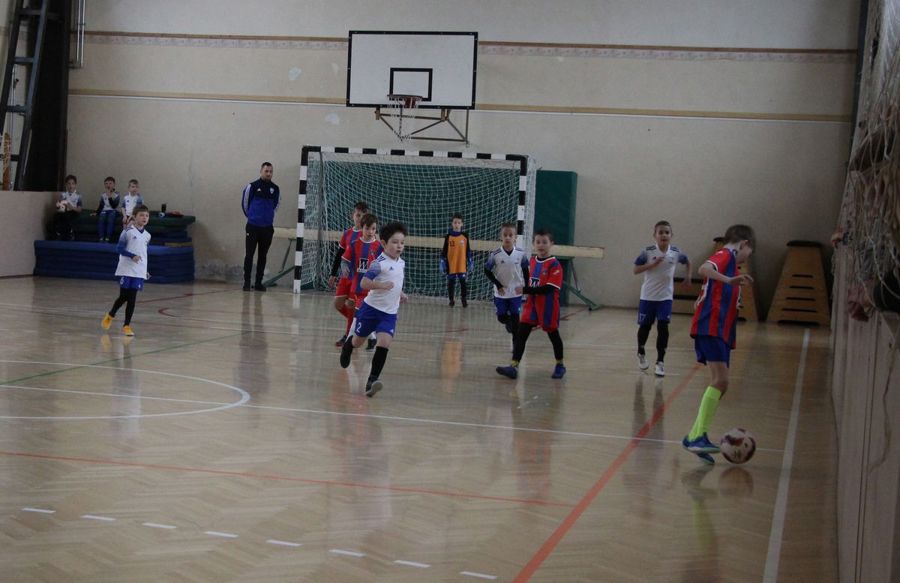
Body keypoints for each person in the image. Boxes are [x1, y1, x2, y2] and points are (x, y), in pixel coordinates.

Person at [682, 224, 756, 464]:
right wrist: (729, 280)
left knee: (721, 383)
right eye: (749, 253)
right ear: (744, 243)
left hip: (719, 328)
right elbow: (704, 269)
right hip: (711, 326)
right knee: (721, 381)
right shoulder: (726, 254)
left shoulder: (732, 263)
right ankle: (697, 436)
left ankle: (694, 436)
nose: (746, 257)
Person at [339, 221, 408, 397]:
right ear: (383, 243)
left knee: (384, 343)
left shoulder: (401, 263)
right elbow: (364, 283)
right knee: (358, 341)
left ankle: (372, 380)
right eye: (395, 242)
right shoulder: (379, 263)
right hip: (371, 309)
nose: (399, 246)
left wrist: (400, 293)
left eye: (402, 242)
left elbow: (396, 282)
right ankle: (348, 346)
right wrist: (381, 285)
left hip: (389, 314)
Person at [496, 229, 566, 380]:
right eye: (538, 242)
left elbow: (549, 289)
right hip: (531, 305)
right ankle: (513, 366)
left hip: (548, 306)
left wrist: (526, 290)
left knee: (553, 335)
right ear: (533, 244)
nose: (541, 245)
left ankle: (560, 364)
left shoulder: (554, 265)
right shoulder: (532, 261)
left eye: (544, 242)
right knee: (521, 334)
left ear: (551, 244)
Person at [632, 220, 692, 377]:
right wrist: (651, 265)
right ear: (655, 235)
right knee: (645, 326)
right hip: (648, 296)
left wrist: (688, 276)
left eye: (667, 232)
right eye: (661, 232)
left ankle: (660, 362)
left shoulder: (676, 252)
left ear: (671, 235)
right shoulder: (647, 252)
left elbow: (688, 261)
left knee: (663, 326)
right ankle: (641, 351)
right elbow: (635, 270)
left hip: (665, 297)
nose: (664, 235)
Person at [101, 205, 152, 336]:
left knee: (132, 298)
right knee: (124, 296)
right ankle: (111, 314)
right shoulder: (127, 232)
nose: (144, 218)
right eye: (141, 215)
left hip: (138, 271)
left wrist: (144, 270)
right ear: (134, 217)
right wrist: (131, 256)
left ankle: (126, 325)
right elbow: (119, 249)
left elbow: (143, 253)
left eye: (146, 215)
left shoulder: (148, 236)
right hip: (126, 268)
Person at [329, 201, 369, 346]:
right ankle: (360, 324)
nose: (360, 218)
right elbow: (339, 254)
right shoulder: (347, 234)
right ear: (353, 215)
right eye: (358, 215)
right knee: (338, 303)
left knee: (352, 306)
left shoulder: (367, 236)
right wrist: (333, 273)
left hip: (357, 278)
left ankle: (348, 336)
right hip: (345, 276)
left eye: (363, 216)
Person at [340, 213, 382, 351]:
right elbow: (344, 260)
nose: (370, 232)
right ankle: (372, 337)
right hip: (357, 287)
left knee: (359, 314)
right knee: (360, 314)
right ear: (362, 228)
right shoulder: (354, 244)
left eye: (373, 229)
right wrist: (345, 268)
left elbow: (384, 265)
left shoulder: (379, 247)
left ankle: (350, 340)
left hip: (371, 289)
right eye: (367, 228)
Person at [484, 222, 530, 343]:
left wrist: (527, 288)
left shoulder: (521, 254)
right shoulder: (495, 255)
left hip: (516, 291)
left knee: (515, 317)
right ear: (501, 236)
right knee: (501, 317)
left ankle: (516, 345)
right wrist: (498, 284)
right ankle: (508, 322)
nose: (508, 237)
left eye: (511, 235)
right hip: (501, 292)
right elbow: (487, 271)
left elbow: (526, 271)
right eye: (505, 235)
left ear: (515, 237)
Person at [241, 162, 280, 292]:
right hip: (253, 227)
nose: (269, 174)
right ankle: (247, 282)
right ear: (261, 171)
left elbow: (276, 205)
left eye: (271, 171)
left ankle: (258, 283)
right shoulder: (252, 186)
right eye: (266, 171)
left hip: (267, 228)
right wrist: (252, 217)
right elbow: (245, 204)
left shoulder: (275, 189)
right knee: (249, 255)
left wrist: (267, 218)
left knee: (262, 256)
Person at [440, 213, 472, 307]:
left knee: (463, 283)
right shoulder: (448, 236)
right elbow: (444, 250)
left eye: (458, 223)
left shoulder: (465, 236)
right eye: (455, 222)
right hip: (451, 264)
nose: (457, 224)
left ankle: (464, 300)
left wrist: (470, 260)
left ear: (462, 224)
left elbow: (468, 249)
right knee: (451, 283)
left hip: (462, 264)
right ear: (452, 224)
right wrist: (442, 261)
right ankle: (451, 300)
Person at [52, 174, 82, 240]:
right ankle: (57, 234)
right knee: (56, 216)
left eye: (73, 183)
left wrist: (71, 207)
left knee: (66, 216)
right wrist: (58, 204)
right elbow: (58, 205)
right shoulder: (63, 194)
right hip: (64, 211)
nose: (71, 186)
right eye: (69, 183)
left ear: (75, 185)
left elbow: (79, 210)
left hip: (73, 211)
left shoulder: (78, 195)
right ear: (66, 185)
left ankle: (69, 233)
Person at [95, 176, 120, 242]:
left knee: (111, 217)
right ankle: (101, 237)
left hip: (113, 210)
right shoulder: (103, 194)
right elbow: (101, 205)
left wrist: (109, 197)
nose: (108, 185)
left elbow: (114, 206)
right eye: (106, 183)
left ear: (114, 184)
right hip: (105, 210)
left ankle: (108, 237)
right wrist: (96, 213)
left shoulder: (117, 194)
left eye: (110, 183)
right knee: (101, 217)